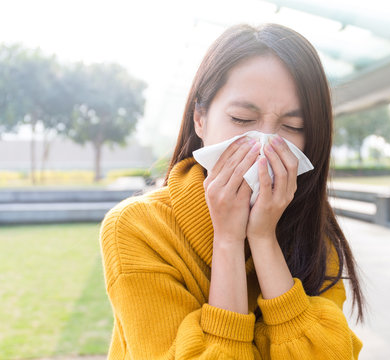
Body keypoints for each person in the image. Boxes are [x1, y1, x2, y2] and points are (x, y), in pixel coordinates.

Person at [99, 23, 365, 359]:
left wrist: (264, 239)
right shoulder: (137, 228)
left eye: (292, 127)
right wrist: (227, 240)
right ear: (200, 119)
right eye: (241, 119)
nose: (265, 145)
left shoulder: (313, 231)